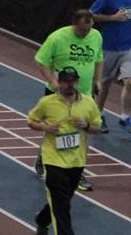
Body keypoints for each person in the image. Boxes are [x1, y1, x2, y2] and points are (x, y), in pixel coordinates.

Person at [33, 9, 103, 192]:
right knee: (57, 131)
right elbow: (41, 61)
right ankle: (44, 159)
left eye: (88, 29)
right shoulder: (57, 38)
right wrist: (53, 82)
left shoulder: (96, 36)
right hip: (58, 95)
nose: (85, 33)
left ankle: (78, 172)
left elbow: (99, 59)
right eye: (81, 30)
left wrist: (98, 80)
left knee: (81, 132)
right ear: (74, 25)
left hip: (84, 95)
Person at [28, 66, 101, 235]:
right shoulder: (47, 103)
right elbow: (31, 121)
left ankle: (42, 219)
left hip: (76, 161)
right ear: (59, 83)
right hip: (53, 160)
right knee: (61, 206)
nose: (70, 84)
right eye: (66, 81)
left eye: (73, 81)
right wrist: (45, 127)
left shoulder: (88, 103)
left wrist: (86, 125)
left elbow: (97, 127)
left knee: (63, 199)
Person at [91, 0, 131, 133]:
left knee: (130, 82)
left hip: (128, 48)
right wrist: (112, 18)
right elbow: (92, 14)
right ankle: (98, 114)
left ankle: (125, 116)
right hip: (109, 47)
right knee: (104, 86)